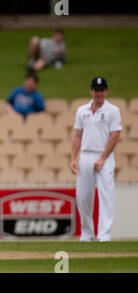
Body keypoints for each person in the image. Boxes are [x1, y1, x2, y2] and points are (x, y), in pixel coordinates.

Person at [70, 77, 121, 242]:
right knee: (82, 196)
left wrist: (102, 158)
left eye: (102, 90)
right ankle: (86, 233)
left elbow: (114, 137)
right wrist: (73, 158)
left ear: (106, 91)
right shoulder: (82, 110)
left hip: (103, 156)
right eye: (96, 90)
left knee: (106, 196)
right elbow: (77, 136)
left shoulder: (113, 110)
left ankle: (104, 235)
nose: (99, 93)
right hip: (85, 155)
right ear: (91, 91)